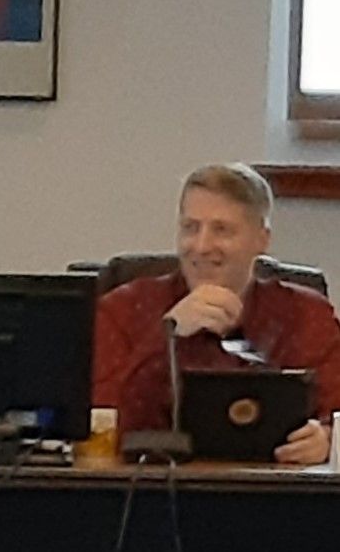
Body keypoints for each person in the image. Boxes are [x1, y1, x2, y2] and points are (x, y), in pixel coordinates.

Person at [93, 163, 340, 465]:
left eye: (221, 230)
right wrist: (168, 336)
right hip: (148, 487)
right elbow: (99, 422)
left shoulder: (307, 314)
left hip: (273, 487)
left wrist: (328, 439)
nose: (201, 246)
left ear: (262, 240)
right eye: (190, 228)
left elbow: (336, 412)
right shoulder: (123, 308)